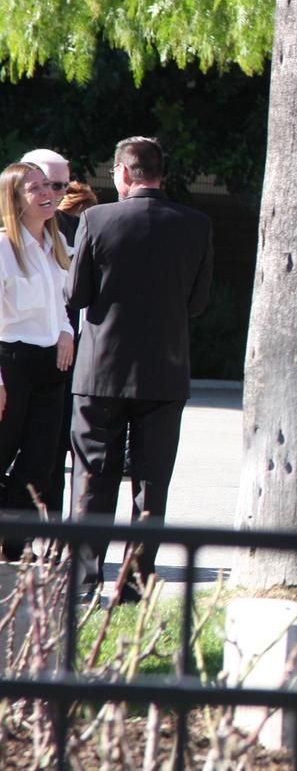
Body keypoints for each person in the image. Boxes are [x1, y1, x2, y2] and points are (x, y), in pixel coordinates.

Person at [67, 137, 213, 602]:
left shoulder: (96, 219)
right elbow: (197, 303)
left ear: (124, 174)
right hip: (165, 370)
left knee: (92, 476)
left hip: (101, 369)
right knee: (152, 483)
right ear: (159, 174)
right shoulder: (197, 225)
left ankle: (86, 581)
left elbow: (78, 296)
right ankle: (133, 584)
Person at [0, 162, 76, 559]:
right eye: (35, 188)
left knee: (39, 463)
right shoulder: (2, 248)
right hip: (11, 364)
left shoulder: (54, 244)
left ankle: (12, 550)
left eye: (48, 185)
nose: (47, 192)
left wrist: (66, 332)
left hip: (51, 367)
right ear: (15, 199)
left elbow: (61, 304)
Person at [19, 149, 80, 518]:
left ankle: (51, 536)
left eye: (62, 185)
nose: (55, 194)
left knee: (51, 452)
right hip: (13, 358)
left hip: (62, 357)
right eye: (48, 185)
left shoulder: (75, 229)